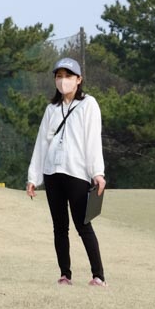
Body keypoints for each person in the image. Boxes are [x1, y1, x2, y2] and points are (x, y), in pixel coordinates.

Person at [27, 57, 108, 287]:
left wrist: (97, 172)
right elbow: (41, 144)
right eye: (59, 76)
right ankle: (65, 274)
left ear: (79, 79)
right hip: (53, 173)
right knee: (59, 227)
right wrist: (33, 178)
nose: (63, 81)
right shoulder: (51, 108)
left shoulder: (88, 104)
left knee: (83, 225)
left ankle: (98, 276)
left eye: (68, 76)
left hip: (77, 172)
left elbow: (92, 140)